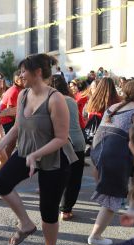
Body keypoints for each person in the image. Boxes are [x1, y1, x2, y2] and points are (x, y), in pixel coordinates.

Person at [0, 54, 77, 245]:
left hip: (55, 158)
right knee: (1, 182)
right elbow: (18, 127)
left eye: (23, 71)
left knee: (48, 211)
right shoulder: (23, 95)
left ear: (38, 72)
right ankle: (26, 224)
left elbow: (61, 138)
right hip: (27, 150)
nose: (20, 75)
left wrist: (36, 156)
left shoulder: (55, 99)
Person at [88, 80, 134, 245]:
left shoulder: (112, 108)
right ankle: (95, 236)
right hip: (117, 157)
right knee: (112, 199)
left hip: (99, 153)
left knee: (111, 196)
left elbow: (99, 134)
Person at [49, 75, 86, 220]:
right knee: (75, 178)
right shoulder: (71, 100)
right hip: (78, 141)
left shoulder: (52, 100)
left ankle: (56, 206)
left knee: (59, 177)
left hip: (61, 143)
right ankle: (66, 210)